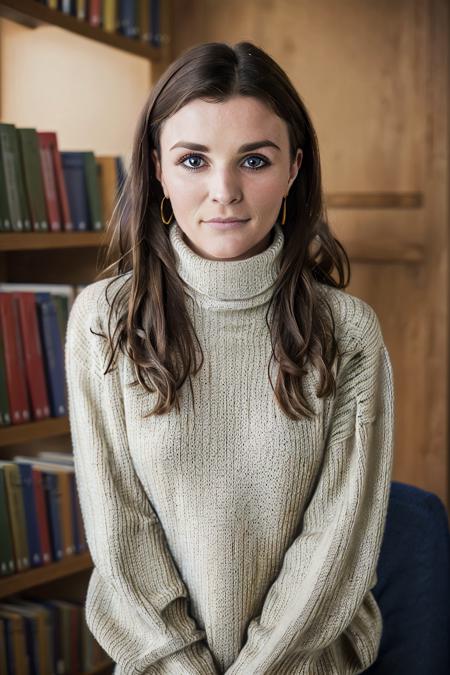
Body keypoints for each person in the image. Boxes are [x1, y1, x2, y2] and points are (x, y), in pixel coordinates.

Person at [65, 41, 394, 674]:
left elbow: (338, 542)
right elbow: (119, 535)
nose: (225, 191)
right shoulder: (103, 322)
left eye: (254, 160)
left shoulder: (348, 331)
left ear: (294, 169)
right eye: (193, 159)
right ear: (157, 170)